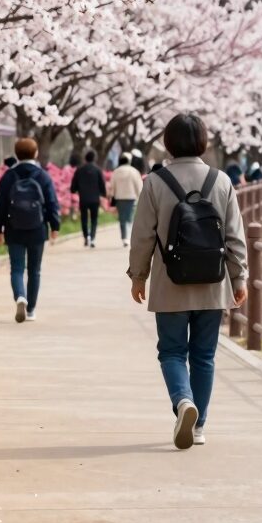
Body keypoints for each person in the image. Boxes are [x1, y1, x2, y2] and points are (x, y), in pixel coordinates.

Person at [128, 113, 248, 450]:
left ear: (168, 142)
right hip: (213, 283)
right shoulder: (221, 180)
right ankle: (199, 427)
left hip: (170, 282)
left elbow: (142, 237)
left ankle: (183, 402)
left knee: (172, 352)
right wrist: (240, 278)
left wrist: (139, 277)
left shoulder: (155, 182)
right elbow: (235, 237)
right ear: (203, 142)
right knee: (204, 357)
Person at [0, 138, 61, 323]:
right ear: (36, 153)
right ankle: (30, 310)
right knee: (34, 270)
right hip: (37, 229)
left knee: (16, 268)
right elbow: (52, 203)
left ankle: (20, 296)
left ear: (16, 154)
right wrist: (55, 226)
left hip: (14, 228)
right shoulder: (43, 176)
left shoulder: (9, 176)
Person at [70, 149, 106, 249]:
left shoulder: (79, 170)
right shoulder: (98, 170)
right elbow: (102, 184)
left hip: (83, 199)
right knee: (94, 219)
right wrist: (103, 193)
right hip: (95, 199)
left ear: (85, 158)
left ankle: (87, 237)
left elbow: (73, 186)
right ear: (94, 158)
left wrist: (75, 190)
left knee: (84, 218)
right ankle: (93, 238)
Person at [109, 154, 143, 247]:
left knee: (122, 219)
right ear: (129, 161)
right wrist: (140, 196)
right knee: (130, 218)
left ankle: (124, 238)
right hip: (131, 197)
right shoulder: (134, 171)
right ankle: (129, 237)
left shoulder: (116, 172)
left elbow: (112, 185)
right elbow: (139, 185)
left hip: (119, 197)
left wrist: (111, 195)